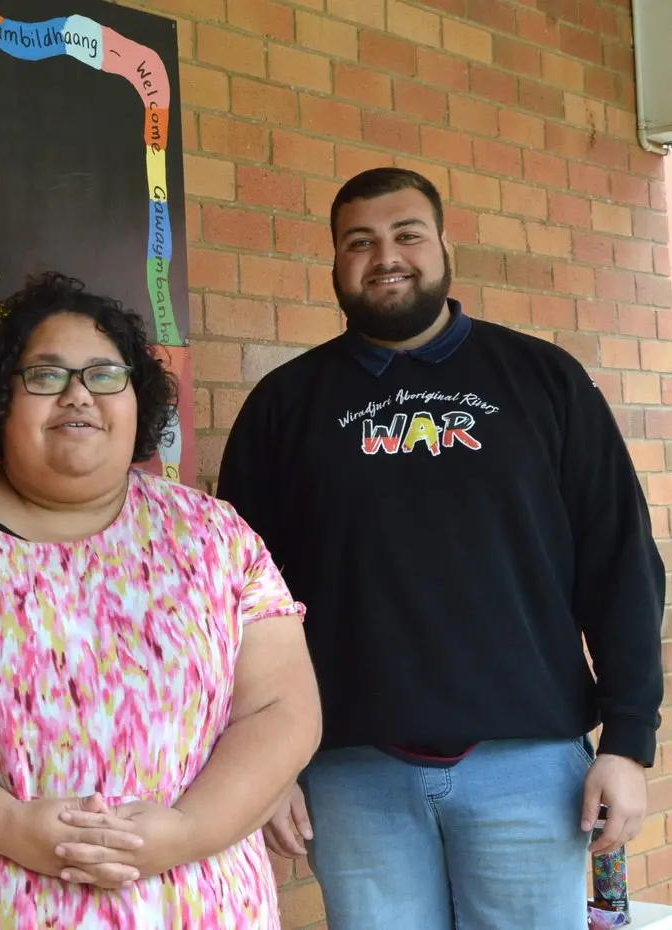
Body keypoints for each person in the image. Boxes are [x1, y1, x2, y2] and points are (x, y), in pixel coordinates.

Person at [0, 271, 321, 927]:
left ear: (137, 399)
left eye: (104, 374)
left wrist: (185, 832)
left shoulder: (214, 535)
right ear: (1, 402)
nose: (77, 395)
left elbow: (281, 707)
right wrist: (12, 827)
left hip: (187, 902)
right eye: (45, 376)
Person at [216, 166, 666, 930]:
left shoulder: (542, 380)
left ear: (442, 244)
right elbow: (237, 604)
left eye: (405, 234)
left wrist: (627, 739)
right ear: (333, 262)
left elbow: (619, 559)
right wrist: (261, 765)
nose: (384, 255)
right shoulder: (284, 406)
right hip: (348, 775)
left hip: (528, 767)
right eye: (358, 241)